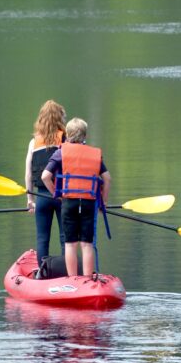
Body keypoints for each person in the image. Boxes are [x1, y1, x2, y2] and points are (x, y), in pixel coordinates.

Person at [41, 117, 111, 277]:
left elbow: (45, 176)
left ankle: (73, 279)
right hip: (88, 202)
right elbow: (107, 178)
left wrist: (55, 194)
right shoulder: (94, 154)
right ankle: (87, 279)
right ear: (84, 136)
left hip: (69, 202)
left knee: (70, 244)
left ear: (68, 134)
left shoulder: (60, 153)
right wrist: (103, 202)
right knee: (87, 244)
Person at [25, 99, 66, 268]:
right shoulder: (65, 138)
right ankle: (68, 274)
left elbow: (28, 173)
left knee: (42, 238)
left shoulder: (33, 142)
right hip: (63, 196)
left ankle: (42, 273)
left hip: (41, 196)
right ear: (59, 118)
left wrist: (30, 199)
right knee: (66, 238)